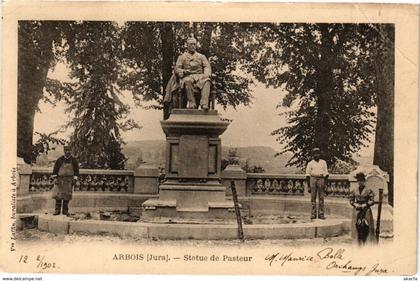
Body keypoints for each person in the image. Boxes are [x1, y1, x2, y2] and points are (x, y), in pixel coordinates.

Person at [165, 37, 212, 110]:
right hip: (188, 76)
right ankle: (192, 104)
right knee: (187, 81)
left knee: (207, 81)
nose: (193, 46)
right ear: (187, 46)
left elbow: (207, 66)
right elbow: (177, 68)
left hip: (200, 77)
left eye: (194, 44)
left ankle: (204, 104)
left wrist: (206, 74)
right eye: (191, 44)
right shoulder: (182, 57)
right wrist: (183, 71)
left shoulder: (201, 56)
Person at [51, 145, 79, 216]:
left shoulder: (74, 160)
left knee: (67, 196)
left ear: (71, 151)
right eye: (66, 150)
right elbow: (55, 170)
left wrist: (75, 179)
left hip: (69, 180)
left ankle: (65, 211)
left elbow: (76, 171)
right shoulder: (59, 160)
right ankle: (57, 210)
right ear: (64, 151)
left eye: (69, 150)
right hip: (60, 180)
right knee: (58, 196)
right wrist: (55, 178)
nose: (67, 151)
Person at [349, 172, 377, 245]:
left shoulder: (368, 190)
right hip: (357, 209)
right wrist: (355, 204)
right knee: (356, 225)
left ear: (364, 181)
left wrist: (366, 204)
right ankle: (357, 242)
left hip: (366, 209)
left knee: (367, 225)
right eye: (359, 181)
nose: (360, 182)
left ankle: (368, 242)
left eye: (361, 180)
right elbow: (351, 200)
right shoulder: (354, 190)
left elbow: (372, 200)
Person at [306, 148, 329, 220]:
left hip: (321, 178)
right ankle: (313, 214)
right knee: (313, 198)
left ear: (320, 154)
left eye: (318, 153)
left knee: (321, 198)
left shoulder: (323, 162)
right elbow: (307, 175)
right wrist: (309, 186)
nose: (317, 155)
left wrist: (325, 184)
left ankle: (321, 214)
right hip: (313, 179)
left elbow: (326, 174)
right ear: (313, 155)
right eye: (315, 153)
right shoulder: (310, 163)